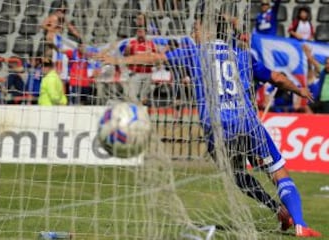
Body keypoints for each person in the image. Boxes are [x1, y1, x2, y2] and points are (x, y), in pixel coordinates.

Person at [96, 36, 321, 237]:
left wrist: (117, 61)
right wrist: (298, 90)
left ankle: (276, 209)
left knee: (237, 174)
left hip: (216, 125)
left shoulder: (195, 52)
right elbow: (277, 77)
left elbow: (155, 58)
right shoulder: (242, 55)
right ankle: (300, 224)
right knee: (278, 172)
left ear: (205, 28)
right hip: (247, 120)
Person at [123, 23, 157, 103]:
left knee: (144, 96)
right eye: (138, 32)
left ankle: (143, 107)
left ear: (145, 33)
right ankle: (135, 108)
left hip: (148, 72)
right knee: (133, 95)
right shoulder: (131, 43)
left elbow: (156, 56)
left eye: (142, 32)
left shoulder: (150, 44)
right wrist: (127, 50)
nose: (140, 33)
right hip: (135, 73)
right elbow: (126, 57)